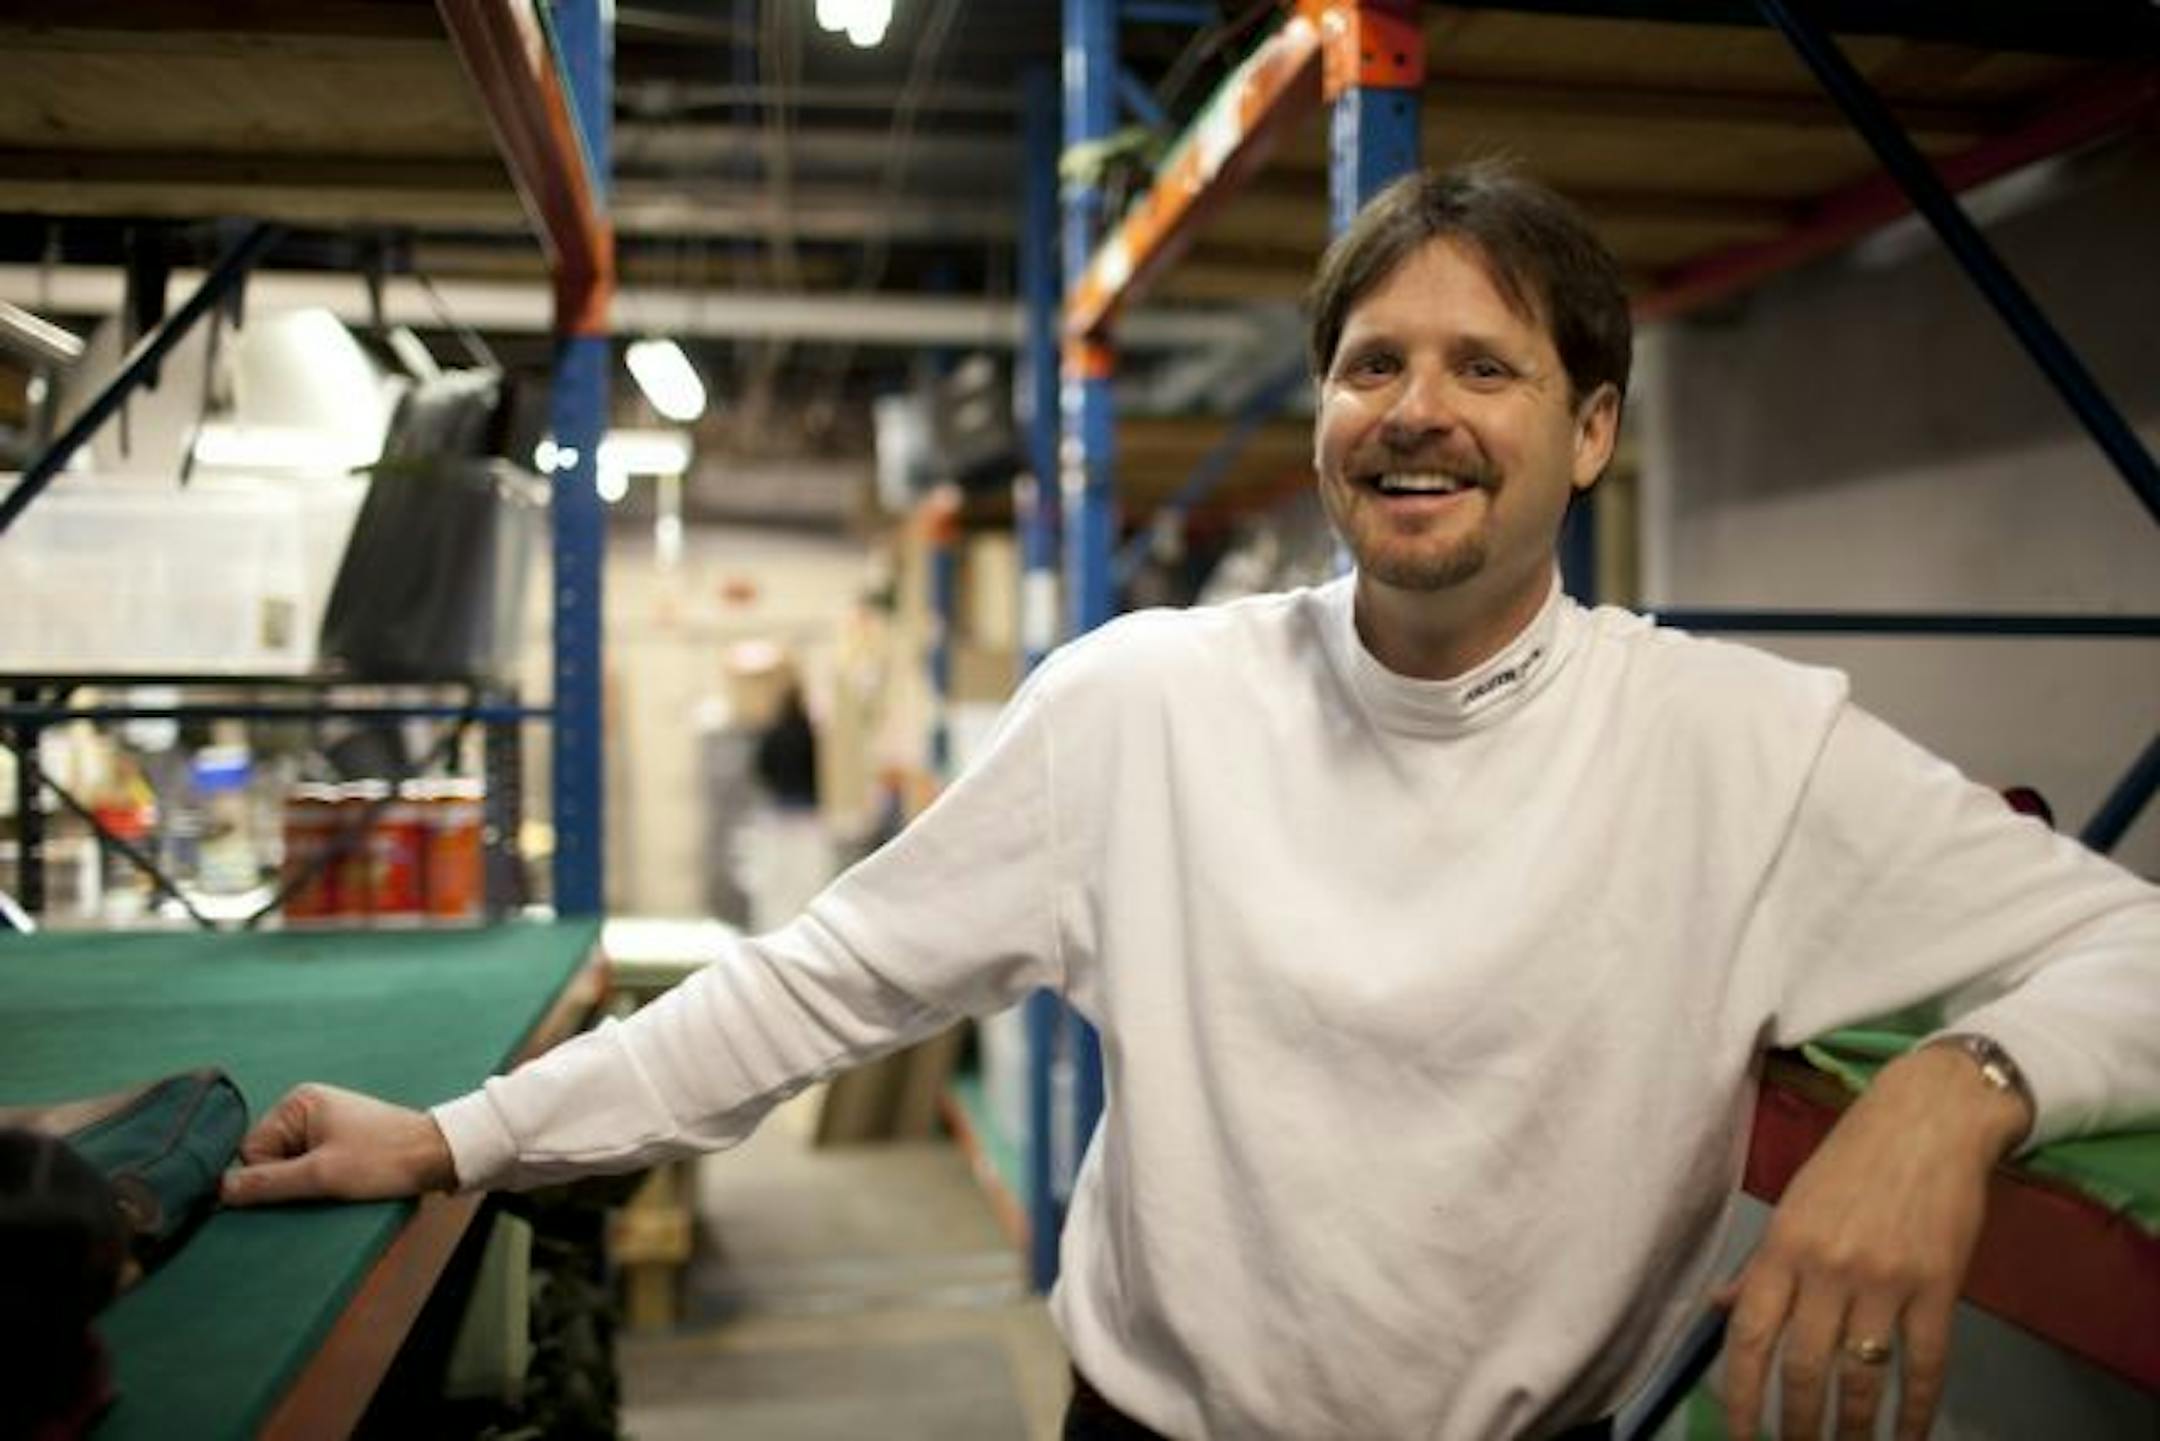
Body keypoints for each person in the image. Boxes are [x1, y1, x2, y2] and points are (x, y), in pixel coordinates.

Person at [222, 163, 2160, 1441]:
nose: (1417, 408)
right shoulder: (1143, 705)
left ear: (1587, 429)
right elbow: (816, 986)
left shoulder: (1745, 749)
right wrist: (464, 1134)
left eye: (1486, 365)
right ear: (1323, 413)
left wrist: (1951, 1090)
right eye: (1371, 361)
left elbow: (2136, 946)